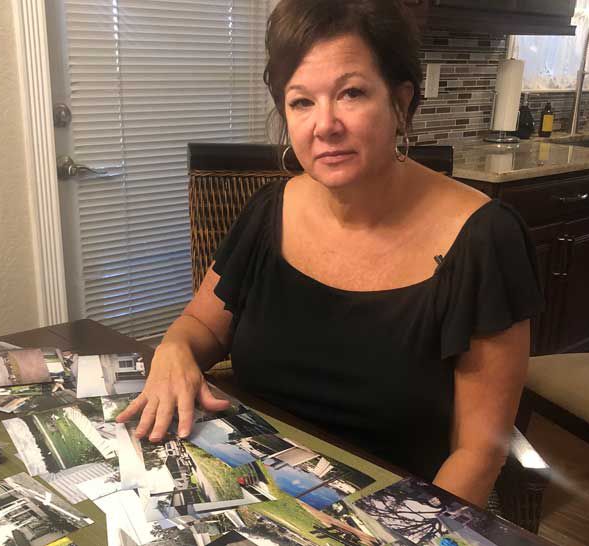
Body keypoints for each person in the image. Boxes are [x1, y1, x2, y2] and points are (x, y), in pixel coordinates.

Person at [118, 0, 544, 507]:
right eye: (301, 102)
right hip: (255, 496)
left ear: (401, 102)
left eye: (352, 93)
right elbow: (203, 326)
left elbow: (479, 454)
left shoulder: (484, 239)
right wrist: (173, 350)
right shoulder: (268, 212)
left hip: (405, 514)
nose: (325, 125)